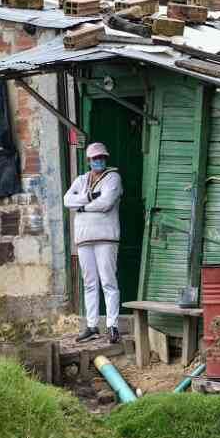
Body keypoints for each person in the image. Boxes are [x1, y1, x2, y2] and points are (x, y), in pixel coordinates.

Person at [63, 142, 123, 343]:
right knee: (89, 283)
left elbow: (106, 203)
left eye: (101, 157)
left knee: (108, 280)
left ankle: (112, 325)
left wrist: (82, 207)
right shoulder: (81, 180)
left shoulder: (113, 177)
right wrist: (88, 197)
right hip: (84, 237)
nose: (98, 161)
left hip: (106, 236)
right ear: (88, 161)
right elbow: (67, 201)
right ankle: (92, 325)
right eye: (95, 158)